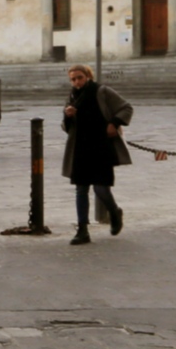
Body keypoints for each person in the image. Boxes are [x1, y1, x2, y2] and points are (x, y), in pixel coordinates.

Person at [61, 64, 131, 245]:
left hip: (101, 146)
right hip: (80, 148)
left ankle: (114, 211)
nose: (77, 82)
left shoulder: (101, 91)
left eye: (80, 78)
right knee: (81, 189)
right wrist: (67, 116)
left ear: (87, 76)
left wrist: (114, 123)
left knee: (101, 188)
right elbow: (67, 127)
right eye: (73, 79)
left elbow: (126, 108)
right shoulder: (71, 95)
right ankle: (82, 230)